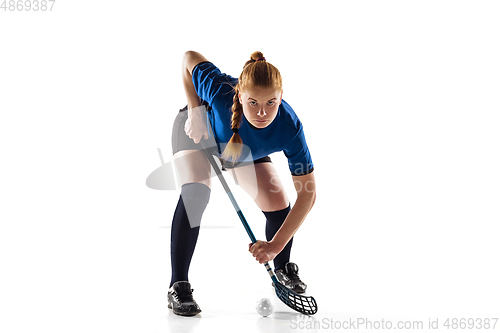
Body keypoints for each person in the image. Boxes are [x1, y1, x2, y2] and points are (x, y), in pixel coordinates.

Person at [167, 51, 316, 316]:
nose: (262, 112)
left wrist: (275, 245)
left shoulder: (289, 127)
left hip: (240, 149)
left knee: (278, 201)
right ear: (239, 96)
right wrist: (195, 109)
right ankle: (178, 284)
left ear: (281, 97)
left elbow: (308, 195)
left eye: (271, 103)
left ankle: (281, 269)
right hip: (198, 133)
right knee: (195, 195)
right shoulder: (220, 93)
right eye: (253, 102)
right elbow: (189, 59)